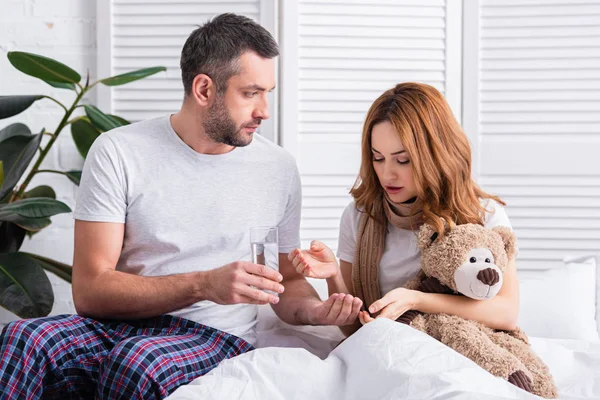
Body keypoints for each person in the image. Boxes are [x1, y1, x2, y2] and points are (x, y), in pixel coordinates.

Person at [0, 13, 362, 400]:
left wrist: (314, 311)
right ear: (204, 89)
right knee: (23, 339)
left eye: (267, 93)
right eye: (251, 93)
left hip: (214, 337)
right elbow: (90, 291)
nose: (264, 111)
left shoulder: (277, 168)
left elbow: (287, 281)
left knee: (137, 363)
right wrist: (204, 283)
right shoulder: (118, 151)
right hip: (115, 325)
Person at [288, 82, 519, 338]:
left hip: (462, 350)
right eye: (378, 158)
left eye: (403, 160)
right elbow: (354, 330)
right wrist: (333, 277)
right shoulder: (359, 216)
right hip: (386, 351)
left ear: (435, 154)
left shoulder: (483, 213)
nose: (388, 174)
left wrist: (416, 300)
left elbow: (507, 313)